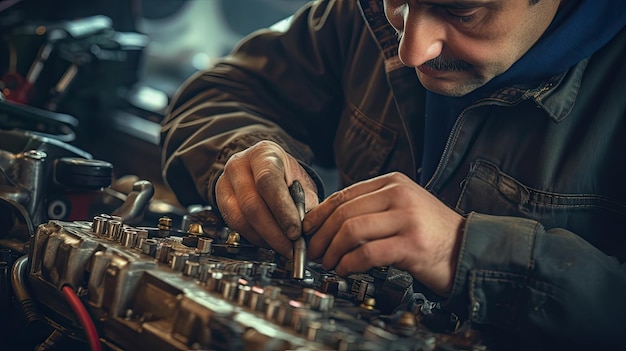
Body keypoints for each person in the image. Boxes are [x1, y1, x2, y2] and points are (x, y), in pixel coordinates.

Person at [160, 0, 626, 349]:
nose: (412, 50)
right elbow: (222, 93)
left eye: (461, 12)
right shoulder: (357, 14)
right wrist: (244, 156)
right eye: (398, 0)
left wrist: (465, 252)